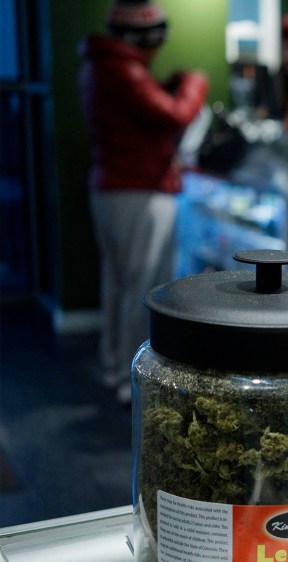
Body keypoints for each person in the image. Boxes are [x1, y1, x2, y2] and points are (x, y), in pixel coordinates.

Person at [79, 0, 209, 403]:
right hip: (138, 189)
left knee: (118, 285)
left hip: (113, 188)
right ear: (145, 38)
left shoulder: (102, 65)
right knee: (143, 288)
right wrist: (193, 84)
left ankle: (115, 368)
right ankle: (132, 381)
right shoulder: (122, 69)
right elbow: (174, 116)